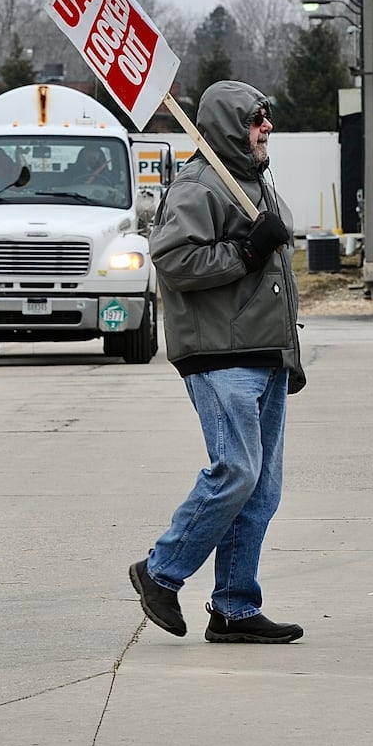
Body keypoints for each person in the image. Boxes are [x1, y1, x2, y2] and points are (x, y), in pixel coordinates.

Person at [131, 80, 306, 644]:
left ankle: (234, 606)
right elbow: (174, 259)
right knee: (237, 472)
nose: (267, 128)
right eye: (257, 120)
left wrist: (289, 355)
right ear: (231, 125)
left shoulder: (256, 184)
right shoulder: (199, 185)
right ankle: (159, 572)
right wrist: (247, 250)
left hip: (264, 355)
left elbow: (278, 279)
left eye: (267, 119)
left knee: (262, 490)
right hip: (219, 355)